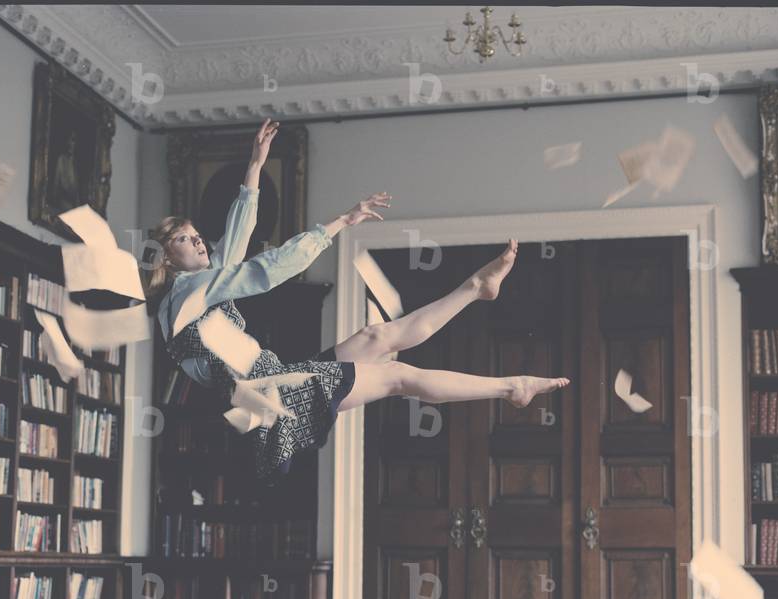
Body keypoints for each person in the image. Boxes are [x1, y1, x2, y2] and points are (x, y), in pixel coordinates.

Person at [144, 119, 570, 483]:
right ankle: (512, 388)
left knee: (378, 335)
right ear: (166, 257)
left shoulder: (193, 294)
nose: (199, 239)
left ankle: (476, 288)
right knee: (397, 374)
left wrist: (255, 166)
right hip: (275, 397)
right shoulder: (188, 293)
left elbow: (234, 239)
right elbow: (267, 268)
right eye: (184, 237)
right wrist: (341, 222)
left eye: (197, 233)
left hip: (278, 384)